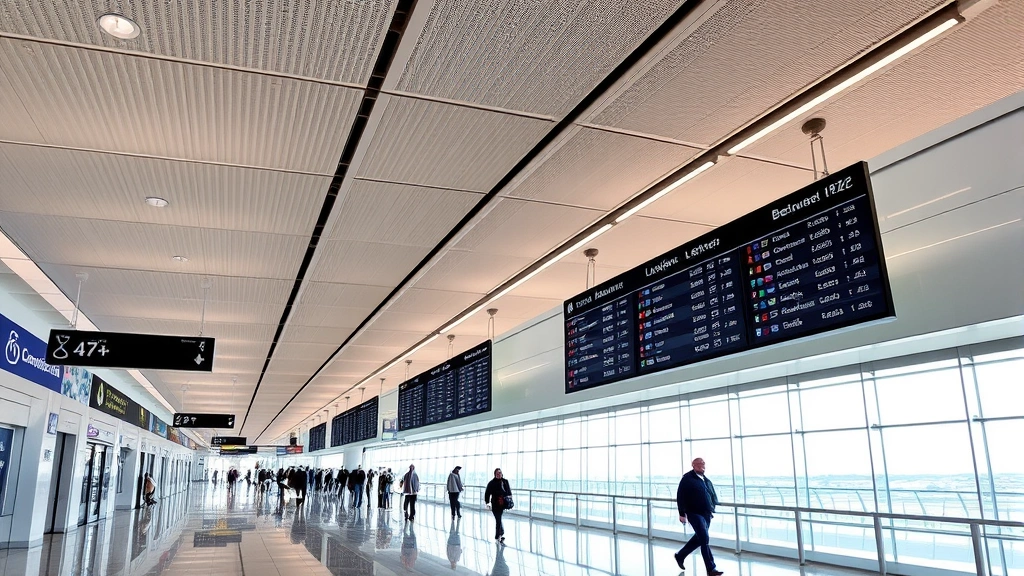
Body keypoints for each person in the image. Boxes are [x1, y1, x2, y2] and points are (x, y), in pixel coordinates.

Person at [675, 458, 723, 575]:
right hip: (694, 513)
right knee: (704, 539)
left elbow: (710, 494)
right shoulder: (687, 478)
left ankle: (680, 555)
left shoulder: (705, 480)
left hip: (706, 513)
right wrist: (682, 514)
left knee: (700, 538)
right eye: (699, 464)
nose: (702, 466)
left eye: (703, 464)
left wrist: (712, 507)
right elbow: (680, 496)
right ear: (693, 465)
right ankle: (711, 568)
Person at [484, 468, 512, 543]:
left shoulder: (505, 481)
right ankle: (501, 532)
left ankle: (498, 535)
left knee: (498, 519)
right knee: (498, 518)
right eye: (497, 473)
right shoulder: (491, 483)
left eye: (500, 473)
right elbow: (487, 493)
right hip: (495, 503)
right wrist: (487, 503)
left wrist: (508, 499)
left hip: (502, 503)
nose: (499, 474)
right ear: (495, 474)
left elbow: (509, 492)